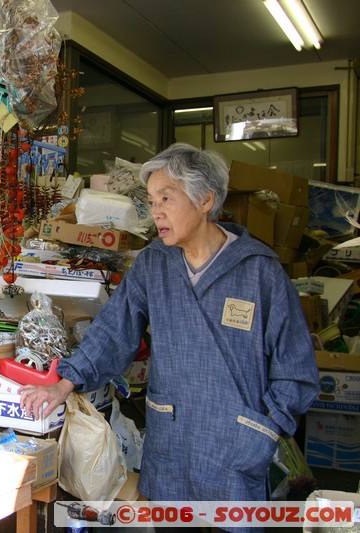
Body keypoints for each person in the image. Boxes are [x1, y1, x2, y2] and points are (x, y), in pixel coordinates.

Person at [19, 143, 318, 502]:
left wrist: (266, 431)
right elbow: (115, 329)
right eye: (152, 201)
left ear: (205, 200)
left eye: (166, 199)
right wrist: (65, 383)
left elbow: (296, 368)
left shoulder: (259, 271)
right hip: (171, 440)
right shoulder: (154, 263)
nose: (156, 212)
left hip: (236, 445)